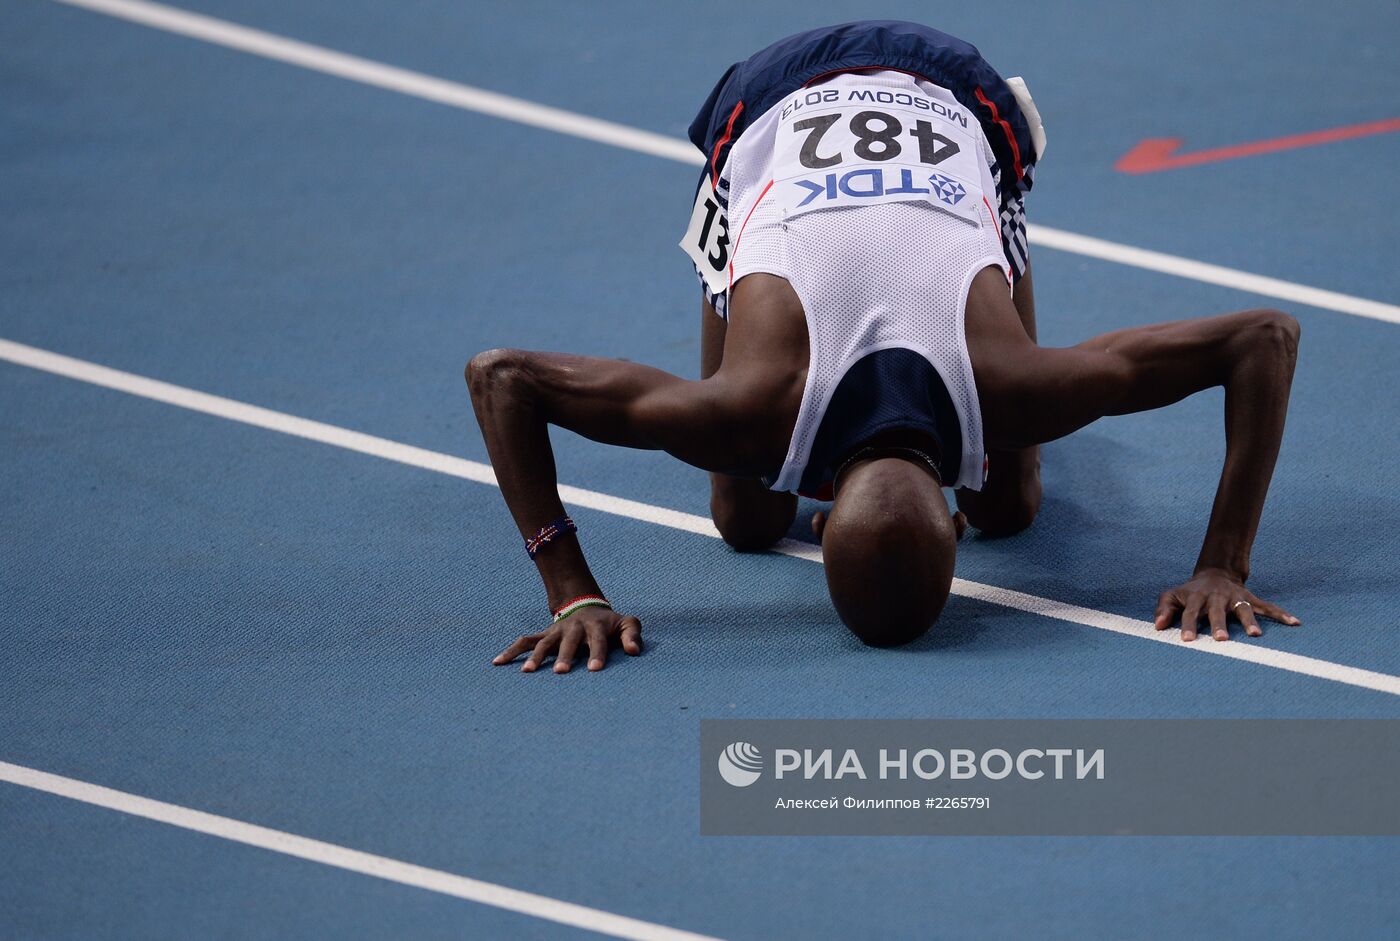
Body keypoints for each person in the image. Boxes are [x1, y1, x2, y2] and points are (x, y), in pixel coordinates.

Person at [467, 20, 1301, 674]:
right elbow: (500, 378)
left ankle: (954, 239)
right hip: (801, 101)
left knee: (972, 509)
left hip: (897, 95)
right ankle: (812, 237)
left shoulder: (783, 405)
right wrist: (570, 593)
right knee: (754, 520)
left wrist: (574, 594)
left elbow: (1264, 338)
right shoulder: (773, 404)